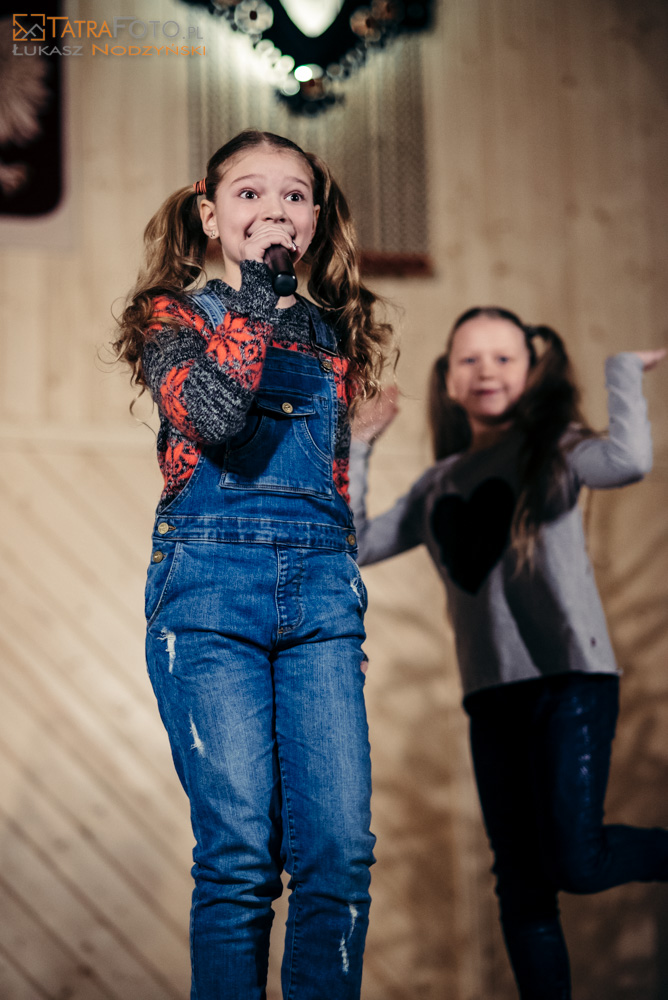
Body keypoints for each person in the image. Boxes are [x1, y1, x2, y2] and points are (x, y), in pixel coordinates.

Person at [113, 129, 394, 1000]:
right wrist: (262, 291)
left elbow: (333, 493)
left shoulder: (334, 333)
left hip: (320, 599)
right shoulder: (173, 318)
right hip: (208, 594)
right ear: (209, 216)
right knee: (239, 858)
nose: (275, 209)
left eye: (294, 196)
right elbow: (216, 416)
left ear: (315, 219)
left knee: (339, 856)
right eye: (250, 193)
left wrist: (344, 596)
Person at [349, 306, 667, 1000]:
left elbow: (630, 461)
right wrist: (360, 443)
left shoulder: (558, 448)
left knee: (577, 862)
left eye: (503, 358)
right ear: (448, 380)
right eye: (469, 359)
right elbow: (357, 544)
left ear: (531, 372)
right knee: (521, 884)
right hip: (491, 697)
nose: (486, 370)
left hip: (571, 682)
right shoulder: (438, 485)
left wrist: (621, 373)